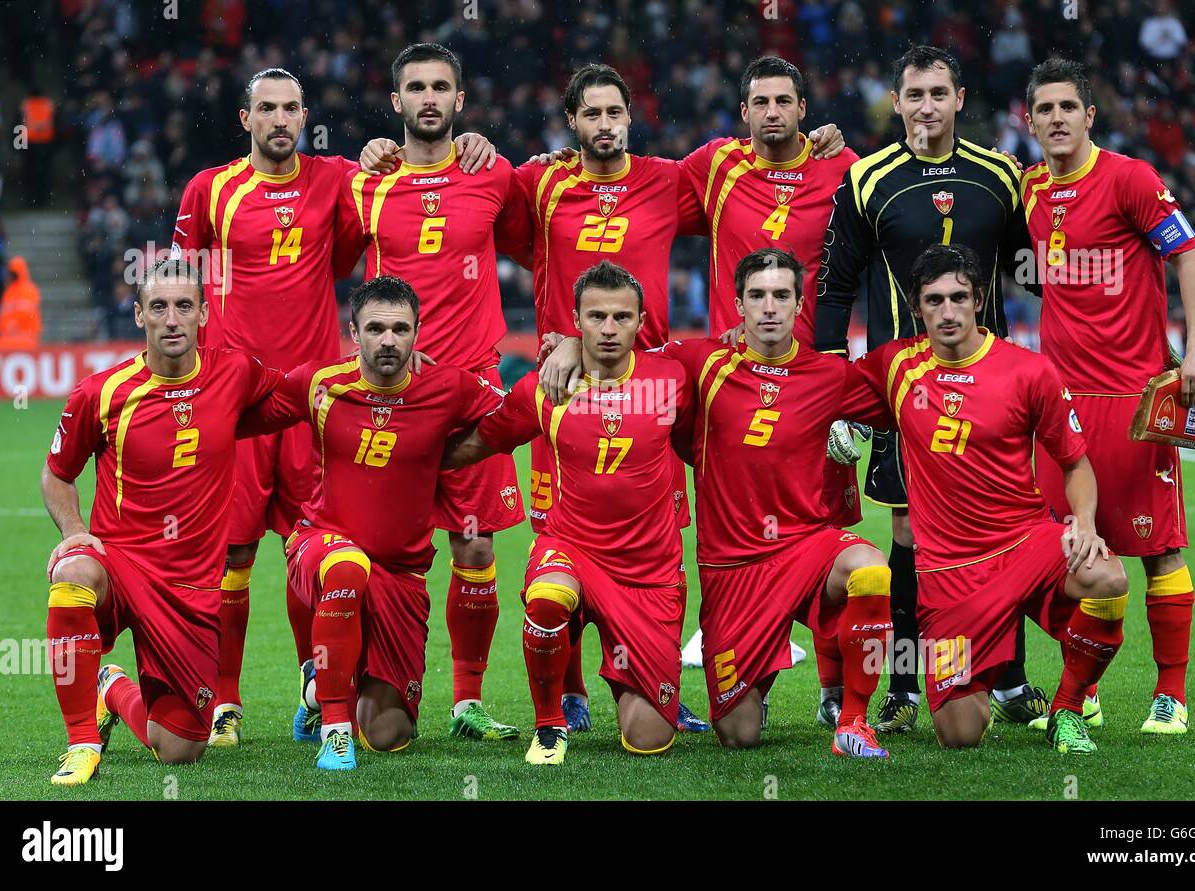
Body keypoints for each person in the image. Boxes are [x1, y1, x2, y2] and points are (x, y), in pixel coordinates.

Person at [171, 67, 492, 746]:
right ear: (245, 118)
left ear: (305, 115)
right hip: (241, 400)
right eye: (267, 109)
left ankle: (315, 686)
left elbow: (412, 168)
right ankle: (225, 701)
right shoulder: (211, 191)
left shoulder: (336, 179)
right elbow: (182, 283)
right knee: (230, 556)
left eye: (291, 108)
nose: (280, 120)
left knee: (310, 546)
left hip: (318, 402)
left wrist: (474, 143)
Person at [546, 248, 895, 754]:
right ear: (738, 304)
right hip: (731, 569)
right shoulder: (698, 361)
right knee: (739, 735)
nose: (769, 307)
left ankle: (853, 721)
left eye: (781, 295)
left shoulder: (830, 376)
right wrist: (572, 346)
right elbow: (620, 354)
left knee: (870, 569)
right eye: (757, 295)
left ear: (800, 305)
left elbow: (906, 403)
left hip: (806, 547)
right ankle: (762, 673)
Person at [815, 45, 1044, 734]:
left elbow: (1032, 270)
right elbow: (835, 284)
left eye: (938, 93)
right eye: (913, 94)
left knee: (1003, 525)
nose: (925, 107)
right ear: (897, 100)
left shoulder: (1002, 175)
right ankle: (906, 685)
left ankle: (1009, 677)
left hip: (992, 387)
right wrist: (833, 386)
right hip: (904, 390)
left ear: (959, 97)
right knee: (911, 531)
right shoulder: (867, 178)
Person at [850, 245, 1129, 754]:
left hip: (1027, 544)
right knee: (960, 734)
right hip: (949, 575)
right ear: (916, 307)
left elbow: (1075, 463)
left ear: (979, 299)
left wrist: (1084, 522)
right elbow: (809, 385)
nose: (948, 311)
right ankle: (989, 660)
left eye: (959, 297)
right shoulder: (894, 368)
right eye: (934, 301)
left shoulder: (1029, 371)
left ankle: (1066, 709)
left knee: (1107, 577)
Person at [341, 44, 530, 741]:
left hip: (474, 388)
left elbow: (536, 245)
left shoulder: (494, 173)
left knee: (475, 550)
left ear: (460, 101)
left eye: (441, 87)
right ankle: (338, 683)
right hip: (391, 393)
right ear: (395, 102)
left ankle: (466, 700)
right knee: (374, 552)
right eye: (415, 86)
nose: (428, 97)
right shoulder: (362, 182)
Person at [238, 275, 504, 770]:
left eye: (400, 329)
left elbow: (516, 416)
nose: (388, 340)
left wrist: (568, 357)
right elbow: (241, 417)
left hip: (401, 575)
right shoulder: (320, 384)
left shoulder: (447, 387)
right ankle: (334, 731)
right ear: (353, 334)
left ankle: (320, 690)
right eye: (376, 328)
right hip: (322, 546)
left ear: (418, 333)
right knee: (346, 565)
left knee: (389, 734)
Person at [1022, 58, 1195, 734]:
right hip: (1060, 405)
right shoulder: (1032, 188)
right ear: (1031, 120)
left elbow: (1188, 256)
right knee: (1064, 550)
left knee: (1158, 547)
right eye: (1044, 109)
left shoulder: (1131, 179)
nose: (1056, 118)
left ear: (1089, 115)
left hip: (1133, 402)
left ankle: (1172, 694)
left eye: (1067, 106)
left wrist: (1194, 348)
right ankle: (1084, 687)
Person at [443, 261, 693, 765]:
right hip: (572, 548)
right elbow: (483, 441)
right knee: (548, 598)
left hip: (649, 572)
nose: (608, 328)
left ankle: (626, 680)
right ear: (574, 323)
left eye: (621, 317)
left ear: (642, 321)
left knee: (649, 739)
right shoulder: (545, 388)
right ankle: (549, 723)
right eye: (595, 317)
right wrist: (409, 463)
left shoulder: (672, 378)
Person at [41, 259, 281, 785]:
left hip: (191, 586)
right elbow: (56, 474)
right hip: (121, 565)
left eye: (183, 307)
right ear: (138, 315)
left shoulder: (236, 372)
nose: (171, 319)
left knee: (178, 750)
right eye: (158, 307)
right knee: (74, 573)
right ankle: (81, 742)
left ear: (203, 314)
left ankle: (112, 687)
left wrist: (386, 374)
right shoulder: (101, 393)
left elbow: (301, 391)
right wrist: (74, 532)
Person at [676, 55, 863, 728]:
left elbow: (882, 246)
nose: (774, 111)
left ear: (805, 110)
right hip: (737, 383)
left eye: (786, 99)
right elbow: (634, 187)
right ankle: (748, 655)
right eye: (761, 101)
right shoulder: (715, 166)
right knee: (737, 525)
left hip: (818, 385)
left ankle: (837, 688)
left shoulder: (844, 169)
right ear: (745, 112)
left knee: (830, 534)